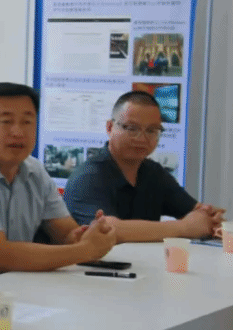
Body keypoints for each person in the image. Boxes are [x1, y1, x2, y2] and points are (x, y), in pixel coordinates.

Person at [0, 82, 117, 275]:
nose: (18, 132)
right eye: (6, 122)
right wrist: (84, 250)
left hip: (17, 283)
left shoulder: (34, 170)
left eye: (27, 122)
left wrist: (89, 236)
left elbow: (65, 233)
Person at [64, 91, 224, 242]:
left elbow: (196, 212)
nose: (142, 139)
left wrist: (209, 217)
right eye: (132, 128)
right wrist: (184, 228)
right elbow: (108, 228)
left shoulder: (153, 173)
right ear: (110, 128)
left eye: (152, 130)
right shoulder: (88, 177)